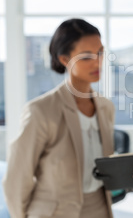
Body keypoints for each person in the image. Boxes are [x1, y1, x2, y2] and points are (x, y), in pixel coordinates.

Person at [2, 19, 115, 218]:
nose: (98, 61)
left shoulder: (106, 107)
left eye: (100, 52)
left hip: (99, 209)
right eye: (87, 56)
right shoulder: (41, 110)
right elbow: (17, 178)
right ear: (65, 59)